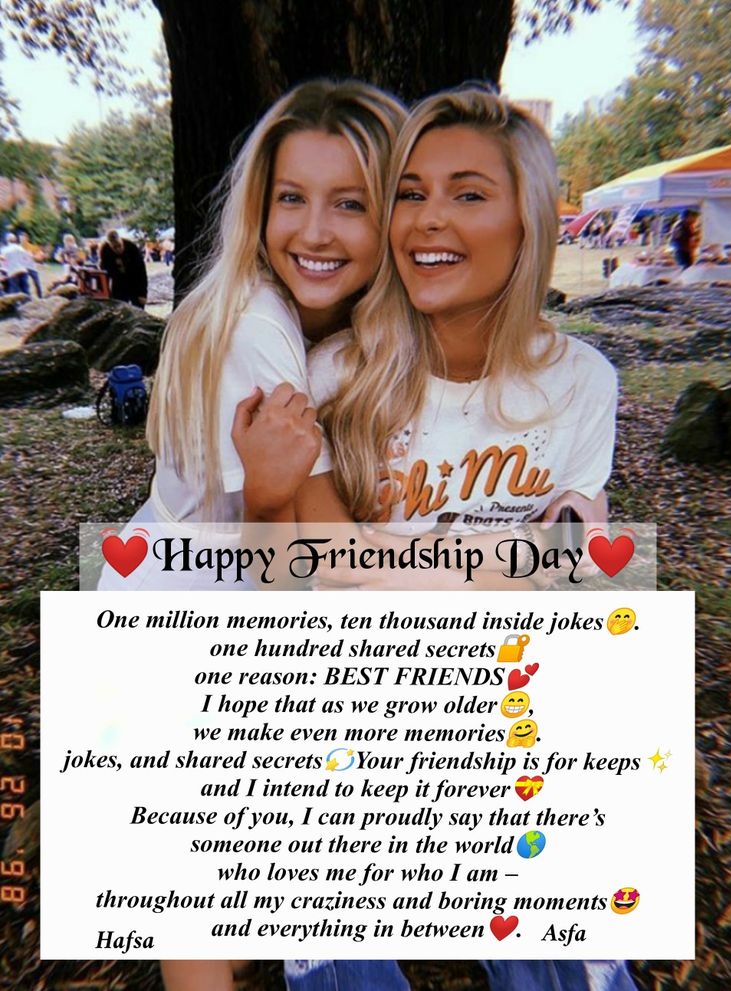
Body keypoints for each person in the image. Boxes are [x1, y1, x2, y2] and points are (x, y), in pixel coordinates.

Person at [234, 84, 632, 991]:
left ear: (528, 221)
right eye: (409, 192)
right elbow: (303, 582)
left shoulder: (580, 381)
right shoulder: (337, 373)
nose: (428, 219)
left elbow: (579, 570)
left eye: (468, 192)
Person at [93, 78, 406, 991]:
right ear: (257, 210)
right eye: (292, 199)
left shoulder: (337, 334)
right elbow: (315, 557)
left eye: (350, 203)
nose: (315, 230)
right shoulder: (253, 328)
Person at [99, 229, 149, 306]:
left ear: (121, 241)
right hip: (118, 284)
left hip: (134, 281)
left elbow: (141, 272)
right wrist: (106, 293)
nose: (118, 249)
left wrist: (143, 294)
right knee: (119, 310)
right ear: (109, 245)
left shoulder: (131, 247)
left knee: (138, 308)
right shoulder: (105, 250)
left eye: (119, 246)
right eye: (114, 247)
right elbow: (105, 274)